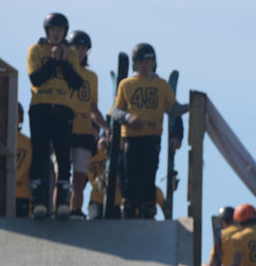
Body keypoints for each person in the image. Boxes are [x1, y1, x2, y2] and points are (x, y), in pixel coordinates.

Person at [110, 43, 189, 219]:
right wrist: (129, 118)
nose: (145, 66)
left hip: (152, 135)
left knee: (149, 171)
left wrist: (189, 107)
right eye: (141, 62)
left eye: (148, 62)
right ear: (135, 64)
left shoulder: (161, 85)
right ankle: (128, 205)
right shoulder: (126, 84)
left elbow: (172, 108)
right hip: (131, 135)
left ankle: (148, 205)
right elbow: (115, 111)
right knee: (130, 173)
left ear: (154, 63)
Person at [26, 12, 84, 218]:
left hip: (63, 107)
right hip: (40, 106)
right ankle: (38, 200)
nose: (57, 33)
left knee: (63, 155)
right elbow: (36, 79)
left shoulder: (73, 54)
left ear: (65, 32)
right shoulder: (36, 50)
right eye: (53, 30)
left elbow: (76, 83)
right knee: (40, 152)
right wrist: (53, 60)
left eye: (60, 30)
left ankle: (62, 202)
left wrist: (66, 62)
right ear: (47, 31)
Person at [66, 30, 109, 218]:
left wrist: (107, 128)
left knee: (80, 178)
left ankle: (75, 210)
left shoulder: (91, 77)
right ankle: (59, 208)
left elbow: (93, 108)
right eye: (76, 48)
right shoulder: (62, 70)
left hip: (83, 130)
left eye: (84, 49)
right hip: (63, 128)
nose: (80, 52)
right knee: (58, 175)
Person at [14, 104, 32, 217]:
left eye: (16, 115)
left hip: (23, 197)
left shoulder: (29, 143)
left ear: (21, 119)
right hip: (0, 195)